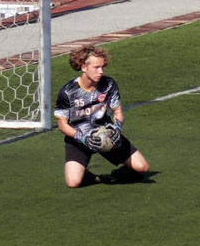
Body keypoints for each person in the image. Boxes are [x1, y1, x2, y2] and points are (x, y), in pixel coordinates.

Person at [57, 44, 151, 187]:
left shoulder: (109, 85)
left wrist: (117, 129)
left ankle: (118, 174)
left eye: (102, 67)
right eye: (96, 67)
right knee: (73, 182)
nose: (101, 71)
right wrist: (83, 137)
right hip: (79, 140)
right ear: (83, 67)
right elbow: (62, 124)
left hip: (106, 136)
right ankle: (94, 177)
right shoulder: (67, 92)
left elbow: (117, 112)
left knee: (142, 167)